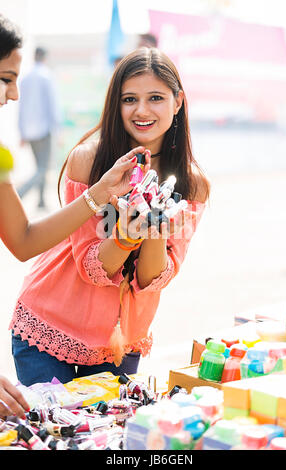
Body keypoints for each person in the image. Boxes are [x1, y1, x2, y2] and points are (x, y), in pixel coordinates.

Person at [10, 47, 210, 387]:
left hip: (120, 340)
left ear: (178, 102)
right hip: (48, 328)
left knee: (108, 436)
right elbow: (91, 268)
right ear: (115, 105)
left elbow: (151, 279)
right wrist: (127, 236)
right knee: (54, 435)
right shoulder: (88, 160)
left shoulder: (192, 184)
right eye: (129, 99)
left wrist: (153, 232)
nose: (142, 110)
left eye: (156, 98)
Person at [0, 14, 148, 418]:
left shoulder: (1, 157)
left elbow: (23, 241)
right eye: (5, 78)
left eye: (15, 79)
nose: (13, 94)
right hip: (44, 329)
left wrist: (100, 193)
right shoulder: (84, 157)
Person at [17, 46, 61, 208]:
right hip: (44, 129)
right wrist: (58, 129)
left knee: (39, 166)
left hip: (29, 131)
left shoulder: (25, 78)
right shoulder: (47, 76)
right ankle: (19, 193)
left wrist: (21, 132)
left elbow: (21, 107)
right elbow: (53, 105)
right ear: (45, 57)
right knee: (43, 168)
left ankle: (41, 201)